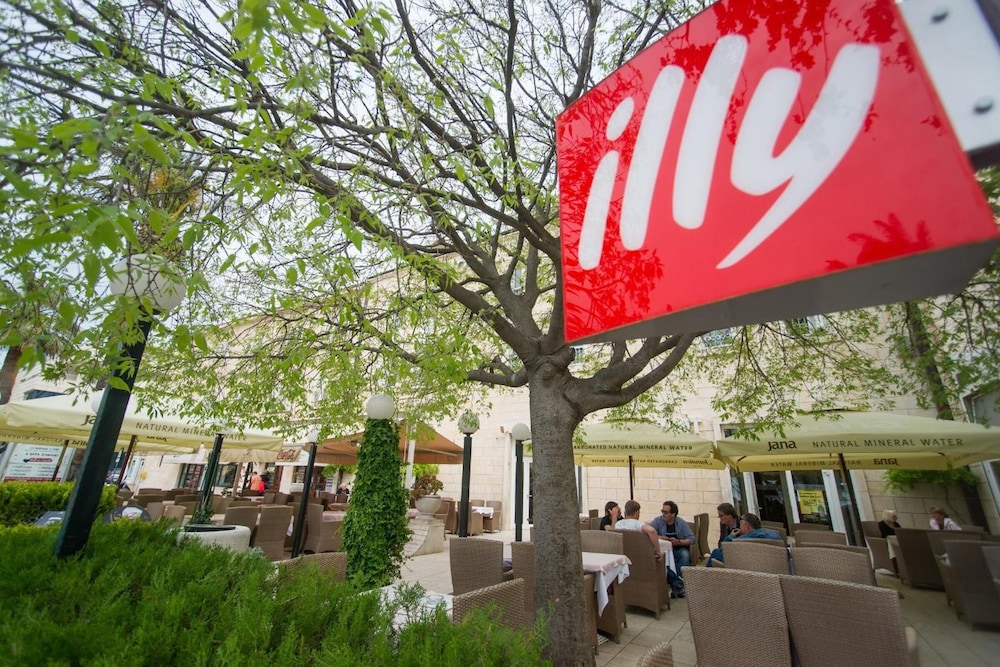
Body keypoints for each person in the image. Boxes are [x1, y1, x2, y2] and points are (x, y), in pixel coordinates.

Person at [706, 513, 782, 566]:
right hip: (773, 568)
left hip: (746, 569)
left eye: (740, 524)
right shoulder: (775, 535)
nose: (740, 527)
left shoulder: (742, 540)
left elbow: (725, 550)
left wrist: (730, 537)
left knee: (716, 552)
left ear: (746, 527)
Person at [649, 500, 696, 572]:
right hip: (664, 549)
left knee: (685, 554)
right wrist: (661, 538)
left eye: (666, 512)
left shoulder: (681, 523)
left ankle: (679, 576)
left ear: (673, 514)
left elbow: (692, 539)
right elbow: (649, 532)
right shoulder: (658, 520)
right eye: (662, 511)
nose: (663, 514)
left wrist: (679, 542)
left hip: (679, 549)